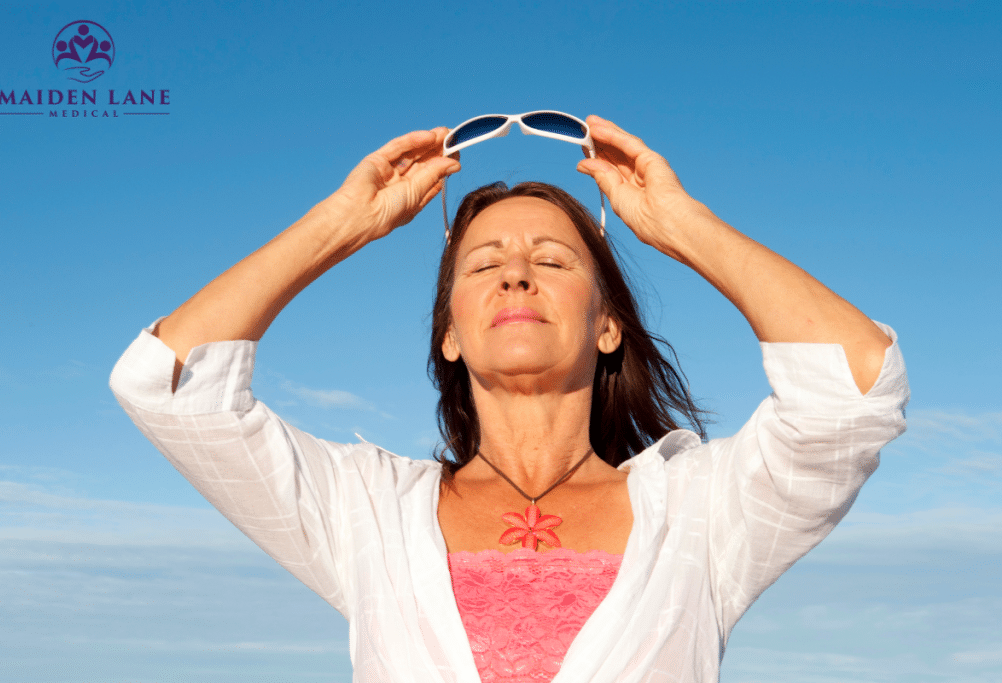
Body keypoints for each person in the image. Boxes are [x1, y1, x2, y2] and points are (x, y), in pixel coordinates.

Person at [110, 115, 908, 683]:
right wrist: (344, 222)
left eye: (554, 261)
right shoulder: (366, 509)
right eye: (484, 263)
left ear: (608, 327)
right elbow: (172, 388)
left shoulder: (702, 510)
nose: (517, 274)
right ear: (450, 333)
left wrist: (680, 223)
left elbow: (853, 391)